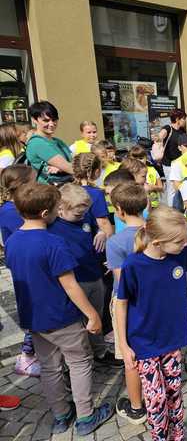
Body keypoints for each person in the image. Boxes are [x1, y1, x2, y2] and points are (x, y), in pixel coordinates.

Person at [6, 183, 113, 435]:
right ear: (46, 213)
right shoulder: (53, 243)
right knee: (79, 362)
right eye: (56, 207)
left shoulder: (11, 241)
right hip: (62, 316)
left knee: (50, 365)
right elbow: (71, 286)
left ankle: (61, 414)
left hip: (33, 316)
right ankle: (86, 416)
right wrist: (92, 313)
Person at [115, 206, 187, 441]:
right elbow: (121, 304)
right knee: (156, 399)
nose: (185, 245)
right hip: (144, 344)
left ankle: (177, 436)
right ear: (157, 242)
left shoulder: (178, 255)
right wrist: (124, 345)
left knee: (174, 393)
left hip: (172, 341)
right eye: (179, 241)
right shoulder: (133, 265)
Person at [48, 184, 113, 364]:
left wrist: (100, 232)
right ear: (60, 209)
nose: (82, 217)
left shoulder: (85, 218)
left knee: (97, 316)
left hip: (94, 275)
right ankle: (77, 360)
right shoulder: (52, 226)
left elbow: (96, 229)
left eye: (85, 213)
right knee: (77, 324)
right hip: (75, 281)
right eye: (78, 214)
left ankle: (100, 351)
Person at [105, 182, 148, 425]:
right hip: (156, 301)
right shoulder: (156, 232)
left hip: (127, 304)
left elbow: (124, 284)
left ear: (119, 210)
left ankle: (136, 407)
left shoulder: (116, 242)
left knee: (130, 357)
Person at [0, 165, 40, 378]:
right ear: (22, 185)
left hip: (29, 263)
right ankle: (26, 356)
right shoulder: (11, 211)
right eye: (35, 180)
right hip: (26, 266)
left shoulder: (15, 206)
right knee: (32, 306)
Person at [25, 101, 73, 184]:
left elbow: (75, 162)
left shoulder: (58, 142)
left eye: (54, 120)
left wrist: (61, 168)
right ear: (34, 120)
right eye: (46, 120)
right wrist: (66, 167)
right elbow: (71, 168)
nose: (51, 124)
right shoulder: (37, 143)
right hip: (49, 192)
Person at [72, 153, 114, 239]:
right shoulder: (96, 193)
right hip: (92, 240)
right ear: (97, 171)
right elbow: (103, 223)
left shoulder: (68, 190)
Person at [158, 108, 187, 190]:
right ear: (177, 119)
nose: (185, 121)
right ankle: (172, 203)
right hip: (169, 165)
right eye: (183, 119)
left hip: (180, 164)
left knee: (180, 187)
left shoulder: (182, 131)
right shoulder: (168, 128)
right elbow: (161, 134)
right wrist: (159, 137)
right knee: (172, 190)